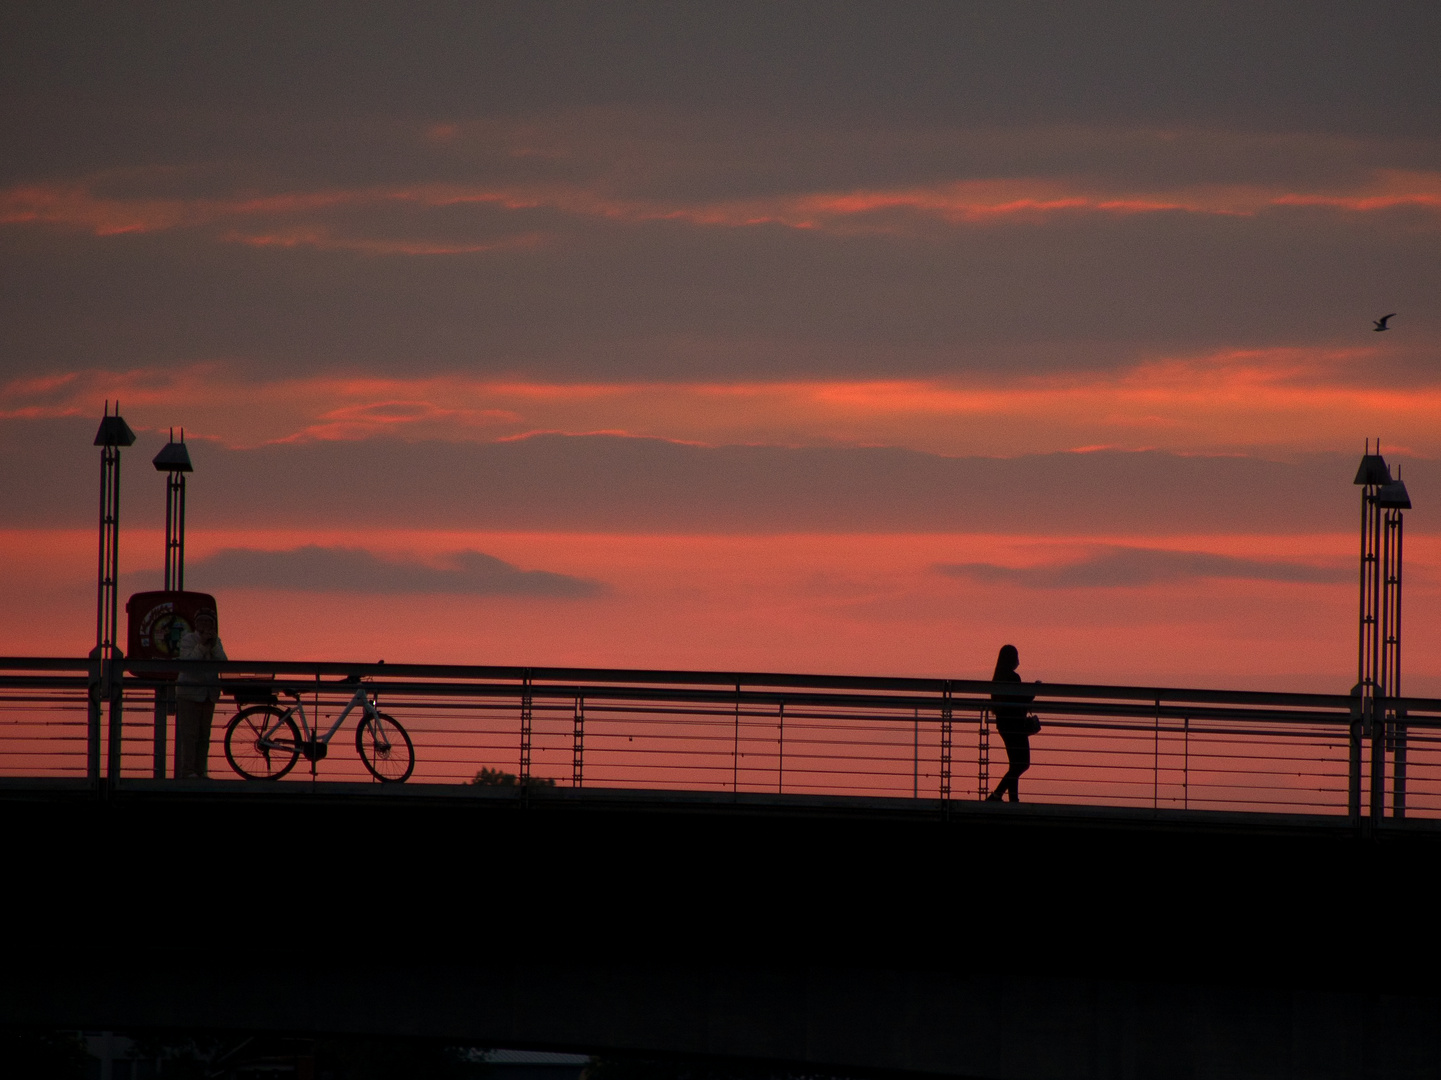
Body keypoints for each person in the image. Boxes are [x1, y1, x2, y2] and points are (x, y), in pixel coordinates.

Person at [175, 609, 226, 778]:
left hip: (208, 693)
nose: (205, 625)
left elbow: (224, 662)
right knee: (190, 735)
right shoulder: (188, 639)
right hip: (189, 694)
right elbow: (188, 664)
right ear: (196, 624)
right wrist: (202, 646)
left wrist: (213, 646)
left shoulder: (216, 641)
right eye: (202, 622)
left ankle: (200, 770)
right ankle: (188, 770)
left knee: (204, 735)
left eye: (208, 622)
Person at [986, 644, 1037, 803]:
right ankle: (997, 794)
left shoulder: (997, 680)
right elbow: (1020, 701)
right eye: (1016, 658)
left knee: (1015, 764)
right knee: (1022, 763)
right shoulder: (1013, 678)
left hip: (1004, 726)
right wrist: (1034, 691)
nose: (1018, 662)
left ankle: (1012, 799)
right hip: (1016, 726)